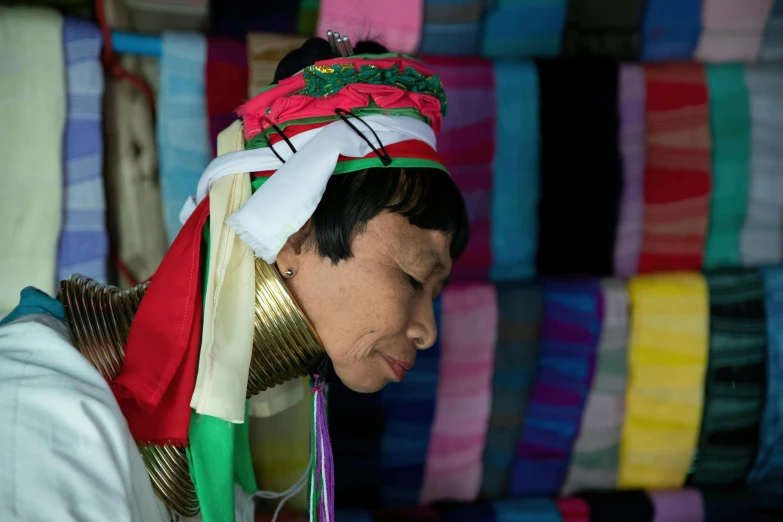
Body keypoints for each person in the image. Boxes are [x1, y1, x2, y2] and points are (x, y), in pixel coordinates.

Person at [0, 36, 467, 522]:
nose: (428, 331)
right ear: (295, 231)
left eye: (435, 293)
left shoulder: (217, 448)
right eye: (415, 276)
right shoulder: (39, 406)